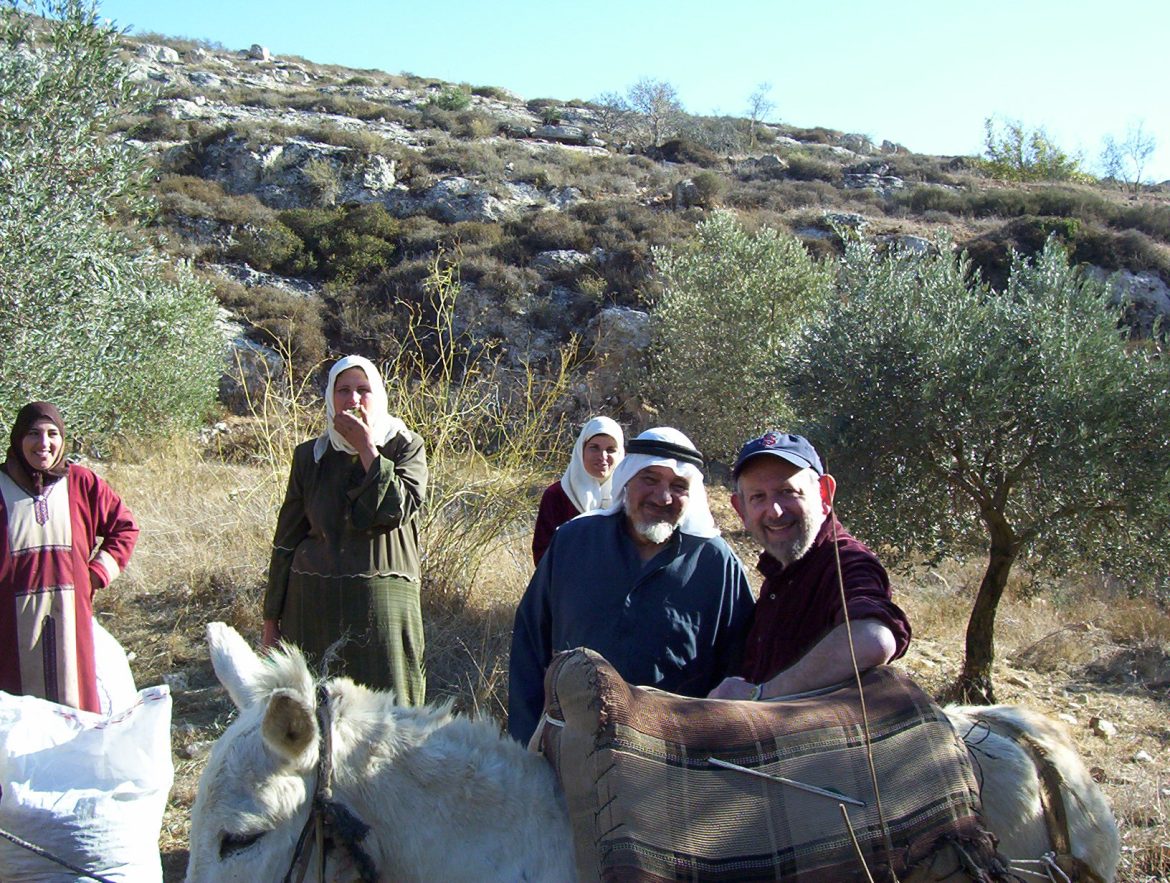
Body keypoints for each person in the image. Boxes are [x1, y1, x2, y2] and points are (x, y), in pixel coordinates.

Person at [509, 426, 754, 744]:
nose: (662, 497)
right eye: (649, 479)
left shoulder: (717, 565)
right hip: (567, 748)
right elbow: (529, 645)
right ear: (626, 480)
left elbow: (739, 668)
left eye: (678, 486)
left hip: (668, 762)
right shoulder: (573, 542)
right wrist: (526, 741)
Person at [262, 355, 428, 705]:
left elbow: (396, 509)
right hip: (311, 607)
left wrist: (368, 448)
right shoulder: (311, 456)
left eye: (363, 390)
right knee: (312, 716)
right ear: (330, 398)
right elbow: (286, 540)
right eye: (344, 390)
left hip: (381, 609)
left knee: (391, 716)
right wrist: (270, 620)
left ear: (378, 395)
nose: (353, 399)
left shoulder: (405, 446)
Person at [708, 431, 911, 701]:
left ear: (824, 494)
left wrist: (759, 696)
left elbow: (873, 639)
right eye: (758, 497)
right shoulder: (782, 569)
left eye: (788, 492)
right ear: (741, 509)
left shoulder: (845, 561)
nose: (775, 511)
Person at [0, 402, 139, 712]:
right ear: (18, 438)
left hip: (70, 623)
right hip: (10, 631)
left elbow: (125, 528)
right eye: (33, 434)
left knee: (75, 713)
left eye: (52, 434)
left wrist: (95, 574)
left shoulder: (82, 484)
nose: (44, 444)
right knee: (18, 723)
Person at [531, 416, 624, 565]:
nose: (603, 457)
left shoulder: (627, 495)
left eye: (611, 450)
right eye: (594, 448)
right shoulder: (557, 495)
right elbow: (543, 553)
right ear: (581, 450)